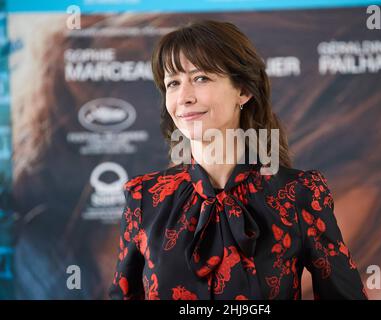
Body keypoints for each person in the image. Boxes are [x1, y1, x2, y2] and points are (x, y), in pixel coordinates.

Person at [108, 19, 367, 300]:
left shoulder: (299, 194)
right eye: (173, 83)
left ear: (243, 91)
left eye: (200, 78)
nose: (184, 97)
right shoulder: (143, 198)